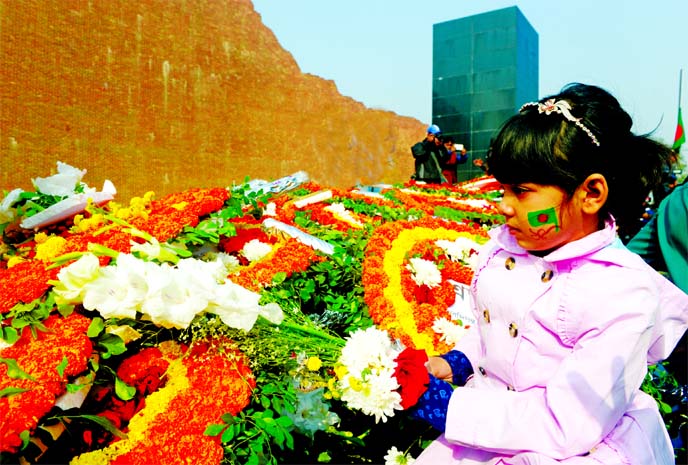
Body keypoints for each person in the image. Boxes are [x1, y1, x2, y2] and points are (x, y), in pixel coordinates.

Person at [410, 83, 688, 464]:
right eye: (502, 189)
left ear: (590, 193)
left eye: (521, 191)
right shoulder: (513, 246)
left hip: (569, 447)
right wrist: (459, 361)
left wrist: (449, 409)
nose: (504, 206)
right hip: (494, 423)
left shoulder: (620, 291)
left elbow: (568, 422)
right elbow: (498, 327)